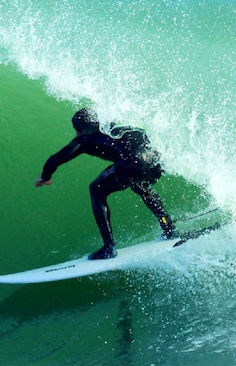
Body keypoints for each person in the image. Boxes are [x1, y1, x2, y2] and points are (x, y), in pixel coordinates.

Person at [35, 108, 177, 260]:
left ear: (78, 127)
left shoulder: (83, 139)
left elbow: (54, 160)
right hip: (155, 160)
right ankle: (168, 227)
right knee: (140, 185)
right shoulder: (110, 127)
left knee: (96, 189)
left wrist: (45, 177)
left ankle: (108, 247)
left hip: (132, 163)